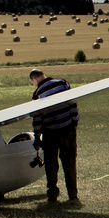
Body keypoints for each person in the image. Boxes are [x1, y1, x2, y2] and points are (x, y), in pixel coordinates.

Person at [29, 67, 79, 202]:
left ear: (35, 79)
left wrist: (37, 135)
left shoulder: (37, 93)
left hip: (50, 132)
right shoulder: (62, 83)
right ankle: (73, 195)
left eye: (32, 82)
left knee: (51, 165)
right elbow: (72, 103)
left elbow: (37, 118)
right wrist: (74, 122)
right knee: (69, 163)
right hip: (67, 128)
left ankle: (52, 194)